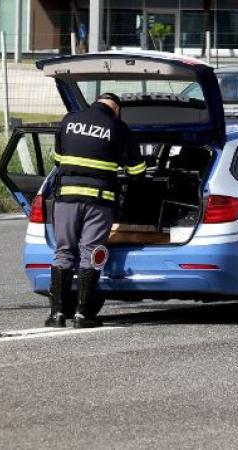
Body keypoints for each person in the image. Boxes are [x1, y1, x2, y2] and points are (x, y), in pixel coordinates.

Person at [46, 93, 145, 328]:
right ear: (117, 109)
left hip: (66, 199)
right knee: (91, 252)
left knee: (63, 251)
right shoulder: (117, 127)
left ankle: (57, 315)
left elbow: (58, 159)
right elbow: (137, 171)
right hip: (98, 202)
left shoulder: (69, 121)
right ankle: (83, 315)